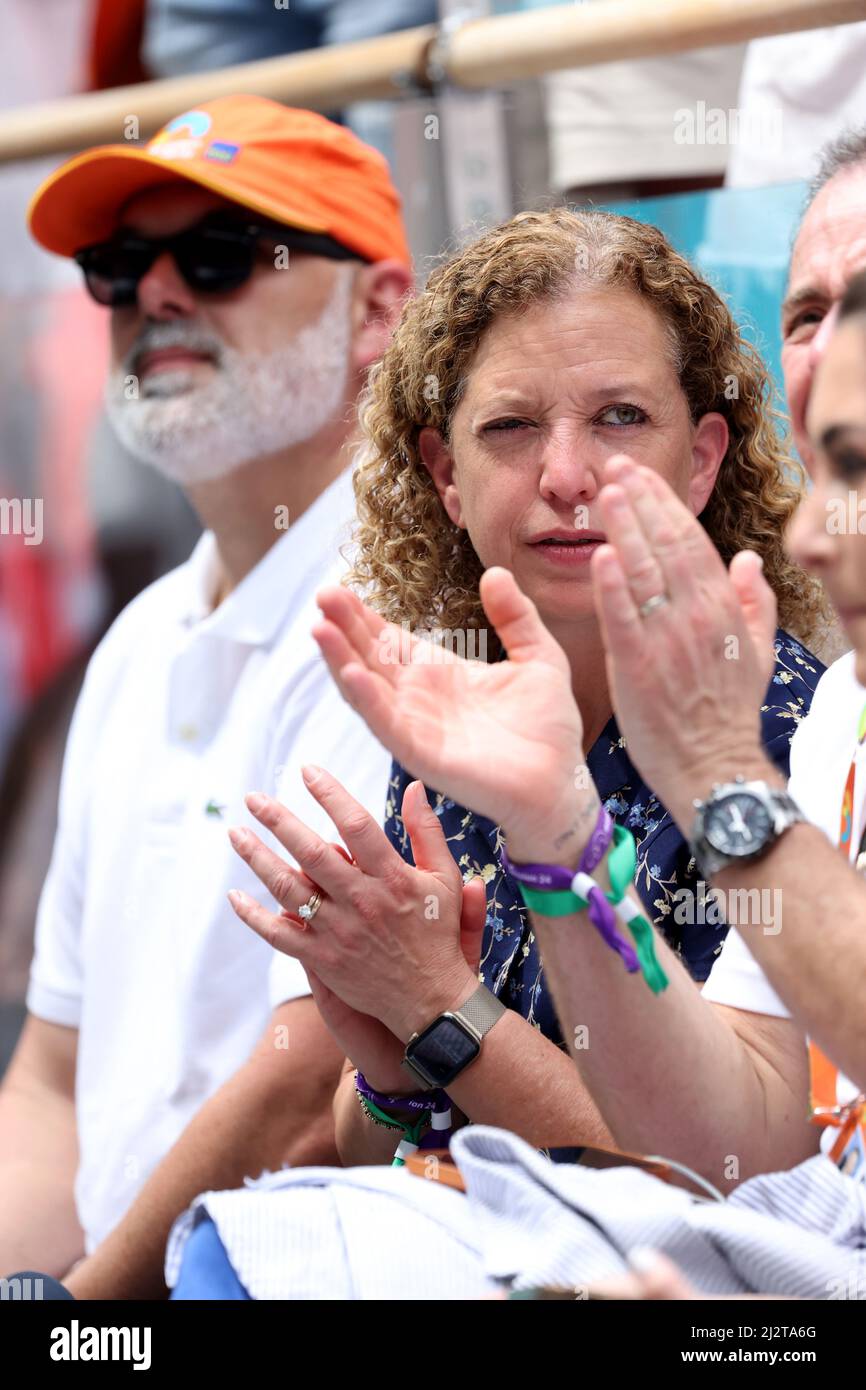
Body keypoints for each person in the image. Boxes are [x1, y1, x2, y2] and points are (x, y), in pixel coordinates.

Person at [161, 206, 828, 1297]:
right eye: (510, 428)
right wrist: (388, 1065)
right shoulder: (448, 710)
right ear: (444, 476)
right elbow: (385, 1148)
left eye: (619, 417)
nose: (566, 474)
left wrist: (438, 1009)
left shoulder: (779, 732)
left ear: (702, 459)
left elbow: (703, 1194)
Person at [0, 95, 413, 1299]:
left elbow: (307, 1077)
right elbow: (52, 1080)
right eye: (120, 266)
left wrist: (77, 1315)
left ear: (376, 311)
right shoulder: (135, 641)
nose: (158, 296)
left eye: (221, 255)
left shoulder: (401, 612)